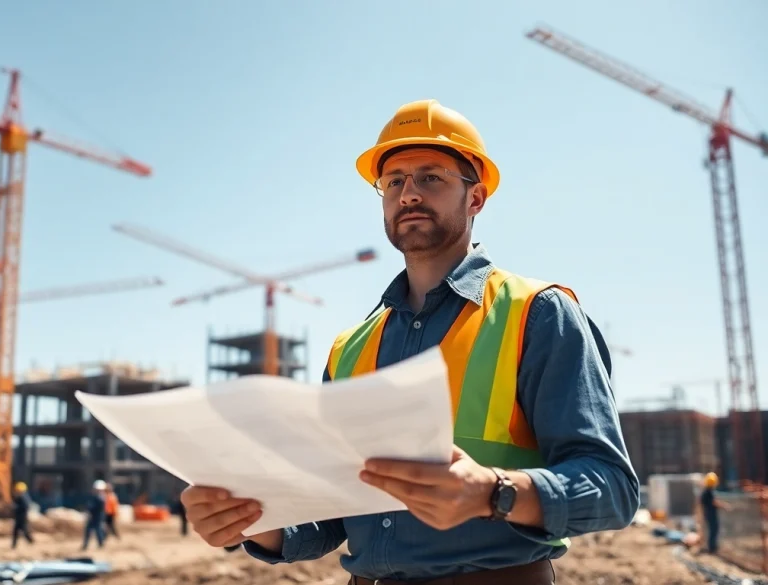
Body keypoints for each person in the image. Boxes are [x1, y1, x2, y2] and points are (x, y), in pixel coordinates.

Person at [180, 99, 640, 584]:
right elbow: (331, 513)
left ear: (476, 198)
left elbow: (612, 488)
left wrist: (494, 492)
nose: (409, 194)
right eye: (394, 182)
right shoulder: (350, 348)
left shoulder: (537, 313)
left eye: (431, 177)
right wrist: (255, 522)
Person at [700, 471, 730, 554]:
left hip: (708, 513)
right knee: (714, 530)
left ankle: (711, 547)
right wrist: (724, 506)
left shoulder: (705, 491)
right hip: (711, 514)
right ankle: (712, 548)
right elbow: (714, 502)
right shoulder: (709, 491)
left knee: (712, 530)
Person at [81, 479, 108, 550]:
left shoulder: (101, 498)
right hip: (93, 516)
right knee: (89, 530)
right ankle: (86, 545)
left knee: (98, 530)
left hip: (97, 516)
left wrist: (90, 508)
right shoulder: (96, 497)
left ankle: (100, 544)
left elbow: (95, 507)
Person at [12, 482, 34, 548]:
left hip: (22, 517)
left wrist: (16, 507)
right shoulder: (20, 497)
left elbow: (26, 506)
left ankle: (30, 541)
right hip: (19, 517)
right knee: (17, 531)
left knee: (24, 530)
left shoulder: (23, 497)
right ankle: (14, 544)